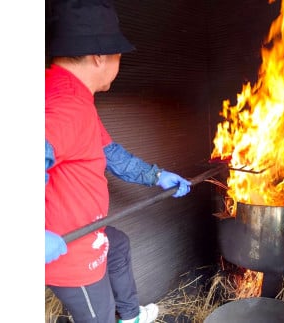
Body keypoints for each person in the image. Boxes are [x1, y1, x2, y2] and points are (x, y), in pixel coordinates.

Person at [44, 0, 192, 322]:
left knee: (119, 244)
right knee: (98, 317)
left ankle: (130, 316)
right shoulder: (64, 105)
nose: (119, 62)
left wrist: (155, 175)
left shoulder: (70, 94)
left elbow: (109, 153)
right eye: (118, 55)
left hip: (85, 231)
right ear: (100, 56)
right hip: (71, 256)